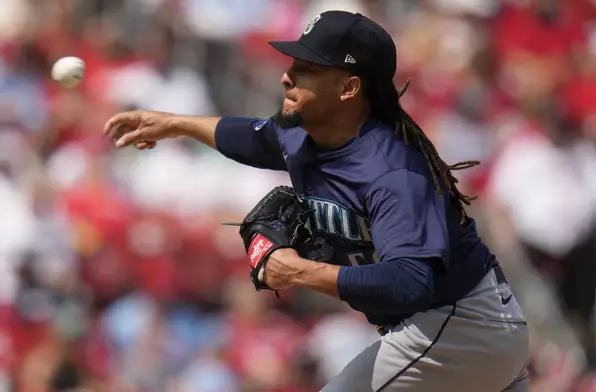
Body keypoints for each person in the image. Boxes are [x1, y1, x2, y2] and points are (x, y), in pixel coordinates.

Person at [103, 10, 530, 392]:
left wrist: (301, 272)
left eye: (307, 69)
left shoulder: (392, 173)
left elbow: (410, 282)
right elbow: (253, 138)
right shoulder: (304, 133)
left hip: (459, 326)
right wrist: (172, 123)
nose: (287, 76)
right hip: (466, 330)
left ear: (348, 87)